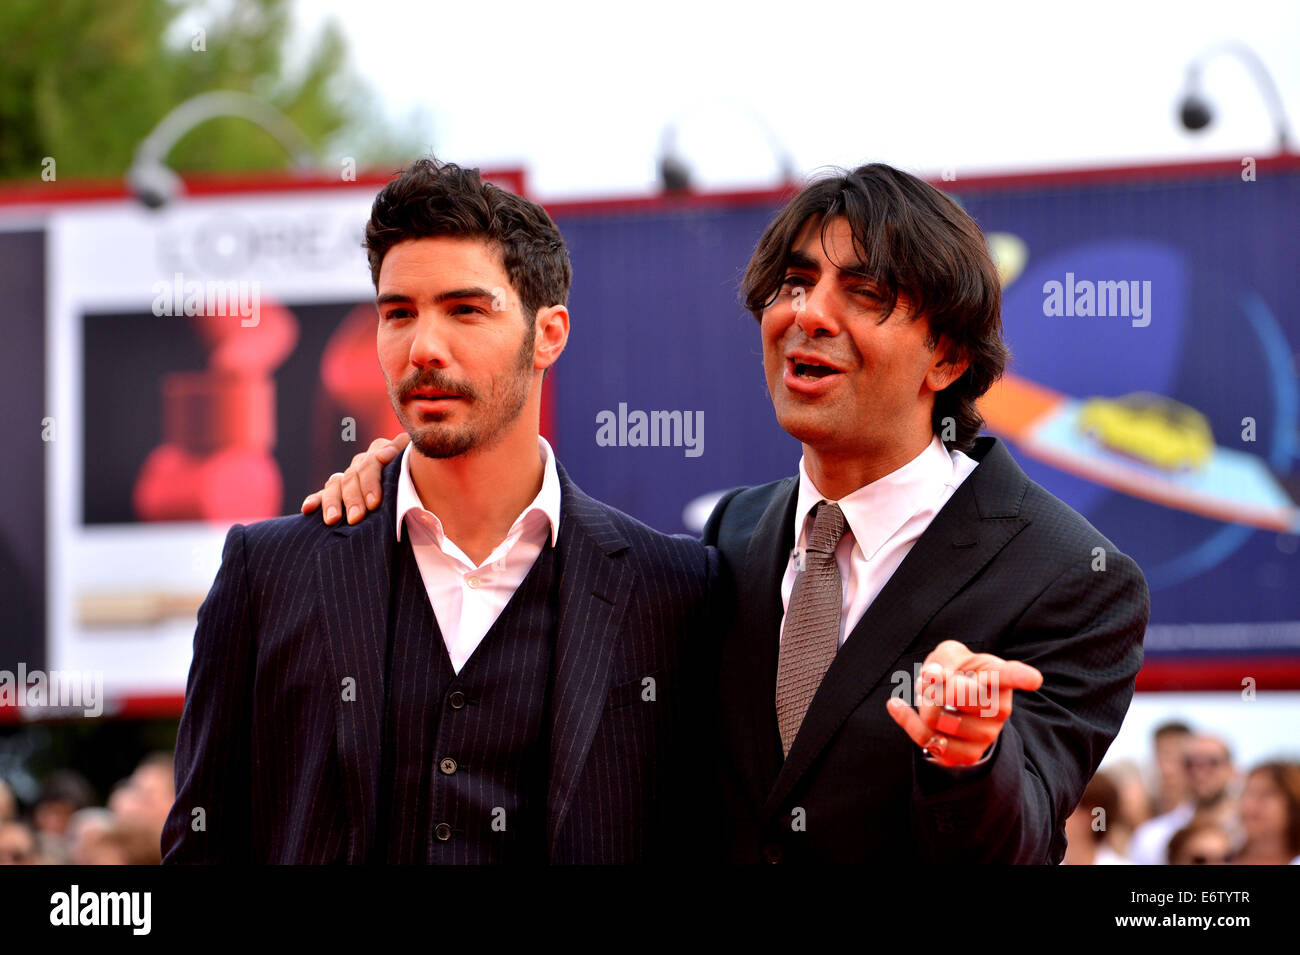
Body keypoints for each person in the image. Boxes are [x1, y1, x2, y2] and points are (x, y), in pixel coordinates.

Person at [307, 163, 1149, 864]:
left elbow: (1020, 841)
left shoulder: (1073, 577)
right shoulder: (729, 538)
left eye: (863, 291)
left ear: (949, 355)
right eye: (793, 282)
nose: (807, 313)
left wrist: (968, 753)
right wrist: (407, 478)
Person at [164, 158, 719, 864]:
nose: (423, 348)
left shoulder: (674, 592)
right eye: (399, 313)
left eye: (464, 308)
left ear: (549, 333)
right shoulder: (268, 574)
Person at [1128, 732, 1236, 865]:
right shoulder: (1152, 837)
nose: (1201, 771)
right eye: (1191, 764)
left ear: (1232, 769)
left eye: (1212, 762)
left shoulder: (1250, 833)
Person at [1233, 760, 1300, 865]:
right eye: (1248, 793)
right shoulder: (1214, 855)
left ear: (1293, 804)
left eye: (1266, 794)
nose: (1250, 804)